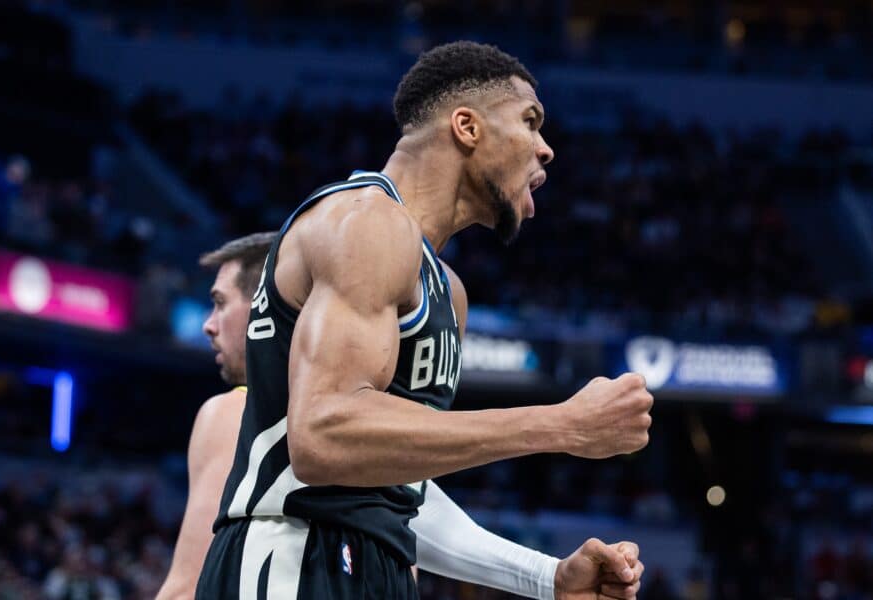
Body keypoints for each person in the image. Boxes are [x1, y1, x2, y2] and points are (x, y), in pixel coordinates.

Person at [197, 41, 653, 600]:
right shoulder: (367, 221)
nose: (546, 149)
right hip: (291, 559)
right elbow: (324, 438)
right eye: (530, 122)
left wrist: (546, 576)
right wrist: (561, 425)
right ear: (466, 126)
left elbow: (396, 493)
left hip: (373, 567)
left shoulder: (447, 289)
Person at [157, 232, 278, 600]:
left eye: (220, 303)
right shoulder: (360, 425)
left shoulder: (235, 412)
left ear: (262, 307)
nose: (208, 324)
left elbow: (187, 587)